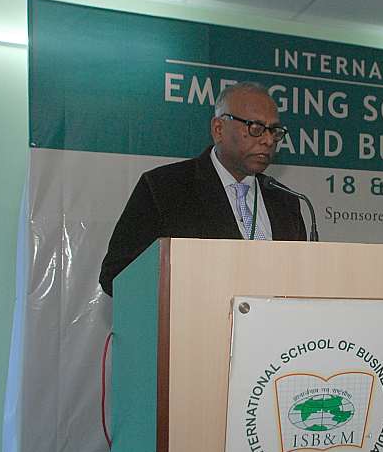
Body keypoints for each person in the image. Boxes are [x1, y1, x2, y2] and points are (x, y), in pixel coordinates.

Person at [99, 82, 306, 296]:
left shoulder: (285, 200)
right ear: (219, 129)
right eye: (256, 128)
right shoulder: (164, 188)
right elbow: (116, 275)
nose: (268, 140)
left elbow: (302, 279)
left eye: (274, 131)